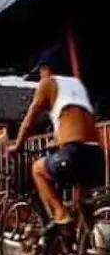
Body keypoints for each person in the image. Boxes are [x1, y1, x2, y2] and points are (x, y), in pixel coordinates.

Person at [6, 47, 104, 229]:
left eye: (41, 72)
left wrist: (17, 145)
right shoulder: (77, 85)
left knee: (37, 169)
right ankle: (83, 243)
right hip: (97, 155)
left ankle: (60, 215)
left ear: (46, 69)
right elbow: (72, 120)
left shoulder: (48, 83)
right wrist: (57, 141)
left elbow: (29, 120)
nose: (40, 77)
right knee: (81, 202)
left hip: (74, 153)